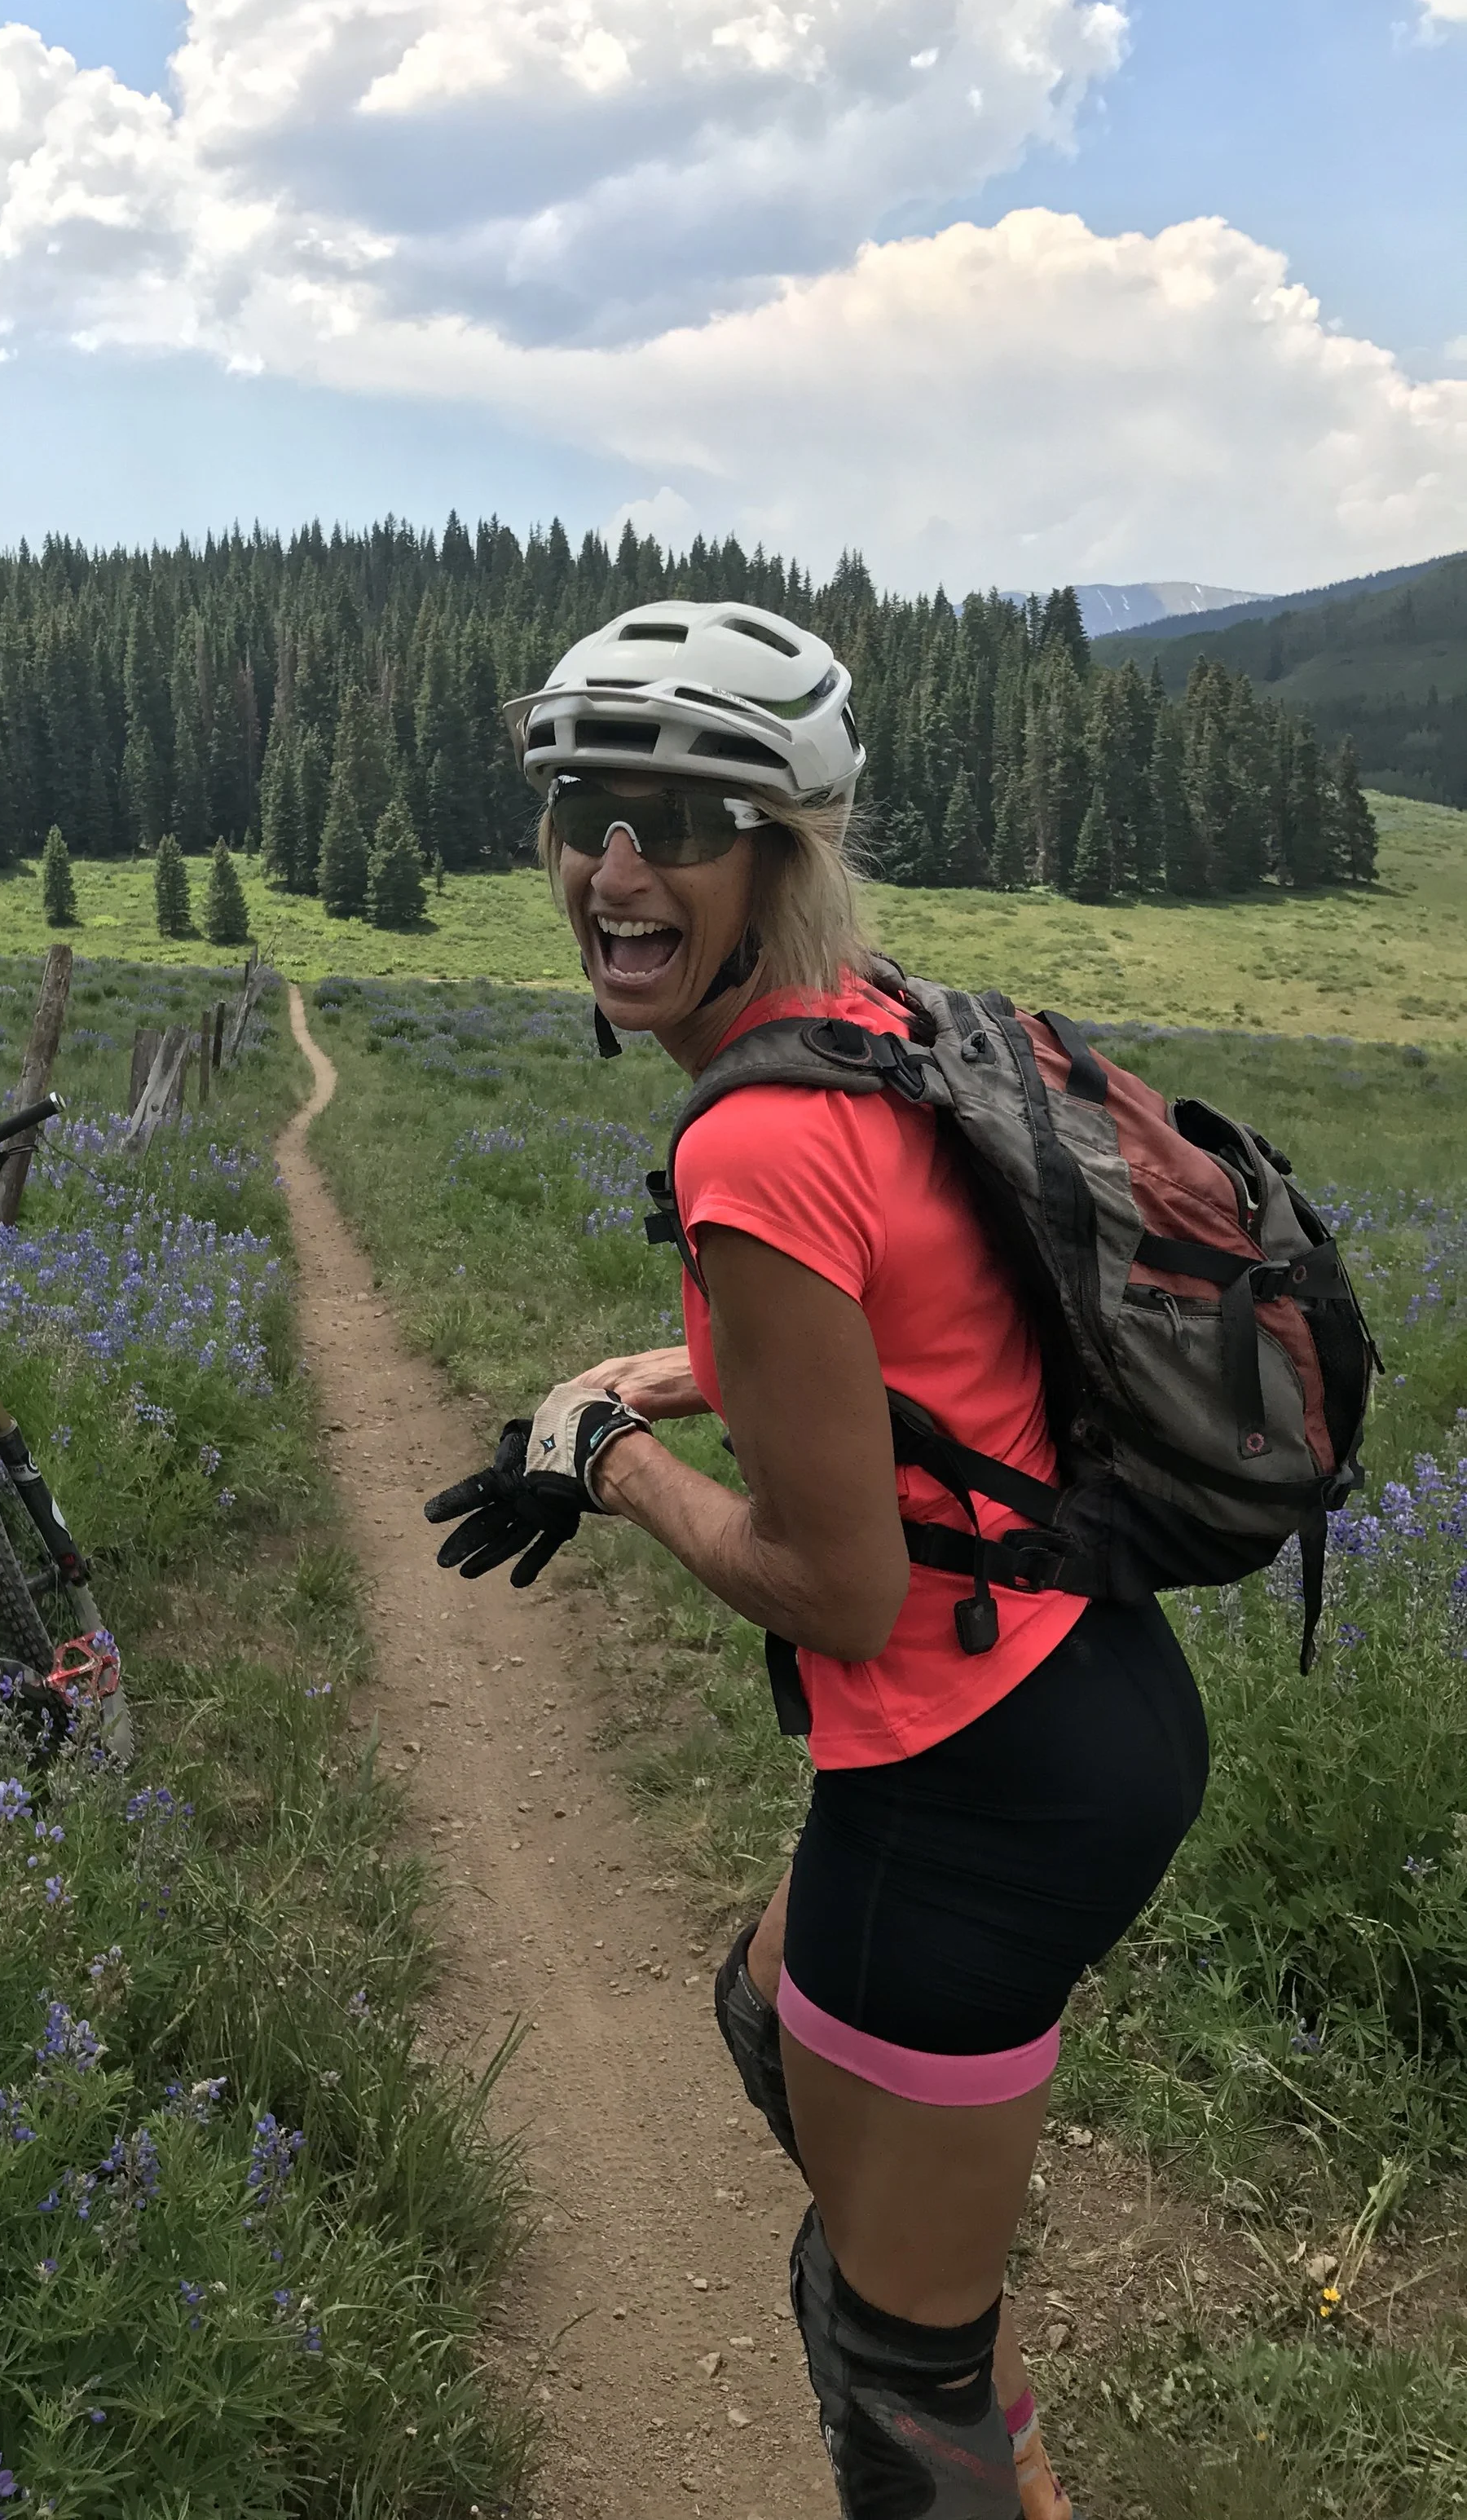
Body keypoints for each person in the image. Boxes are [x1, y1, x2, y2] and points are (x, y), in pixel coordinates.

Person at [424, 601, 1209, 2520]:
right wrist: (673, 1378)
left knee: (888, 2375)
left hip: (958, 1787)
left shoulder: (752, 1142)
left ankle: (950, 2386)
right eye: (582, 808)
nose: (612, 864)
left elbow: (829, 1584)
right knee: (770, 2014)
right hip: (1082, 1697)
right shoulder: (873, 1033)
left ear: (779, 846)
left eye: (676, 818)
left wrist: (615, 1467)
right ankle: (964, 2359)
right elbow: (929, 1339)